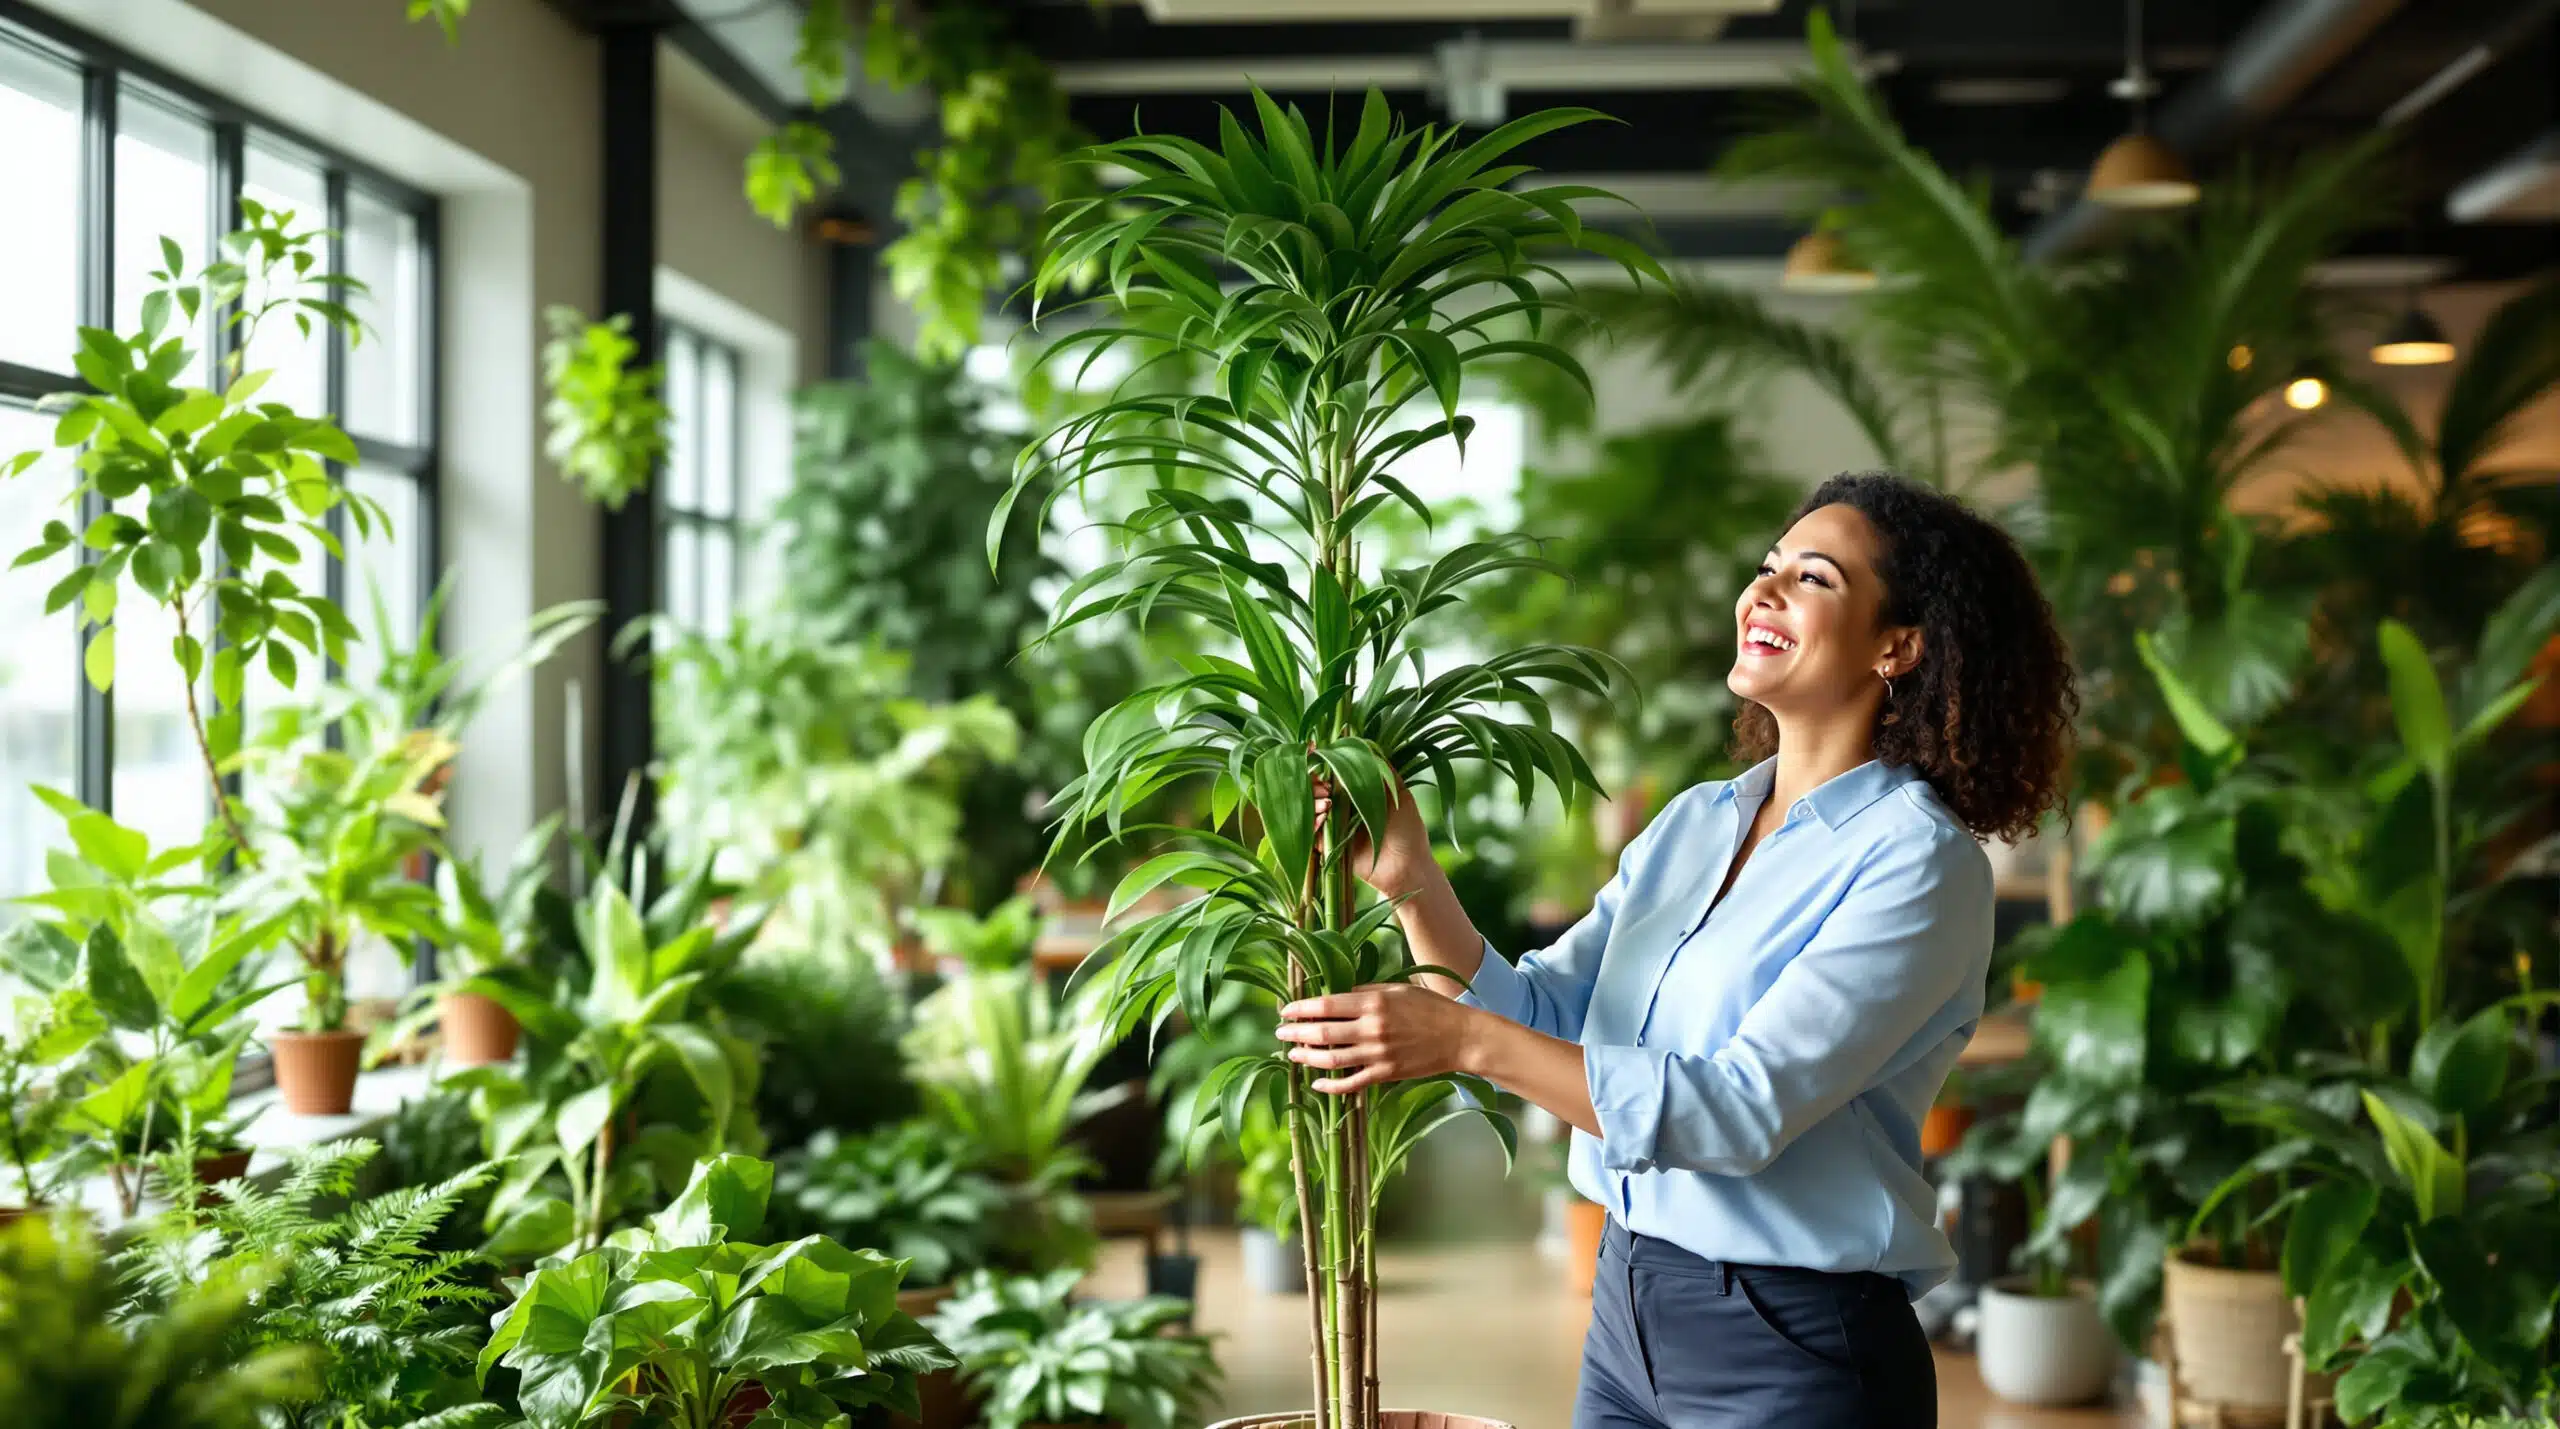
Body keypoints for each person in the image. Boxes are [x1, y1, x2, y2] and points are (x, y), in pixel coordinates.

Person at [1279, 472, 2078, 1429]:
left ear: (1898, 645)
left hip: (1795, 1348)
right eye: (1767, 567)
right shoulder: (1698, 822)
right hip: (1626, 1309)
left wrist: (1456, 1040)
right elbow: (1544, 1016)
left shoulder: (1921, 863)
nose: (1764, 592)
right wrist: (1409, 879)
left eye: (1813, 578)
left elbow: (1738, 1110)